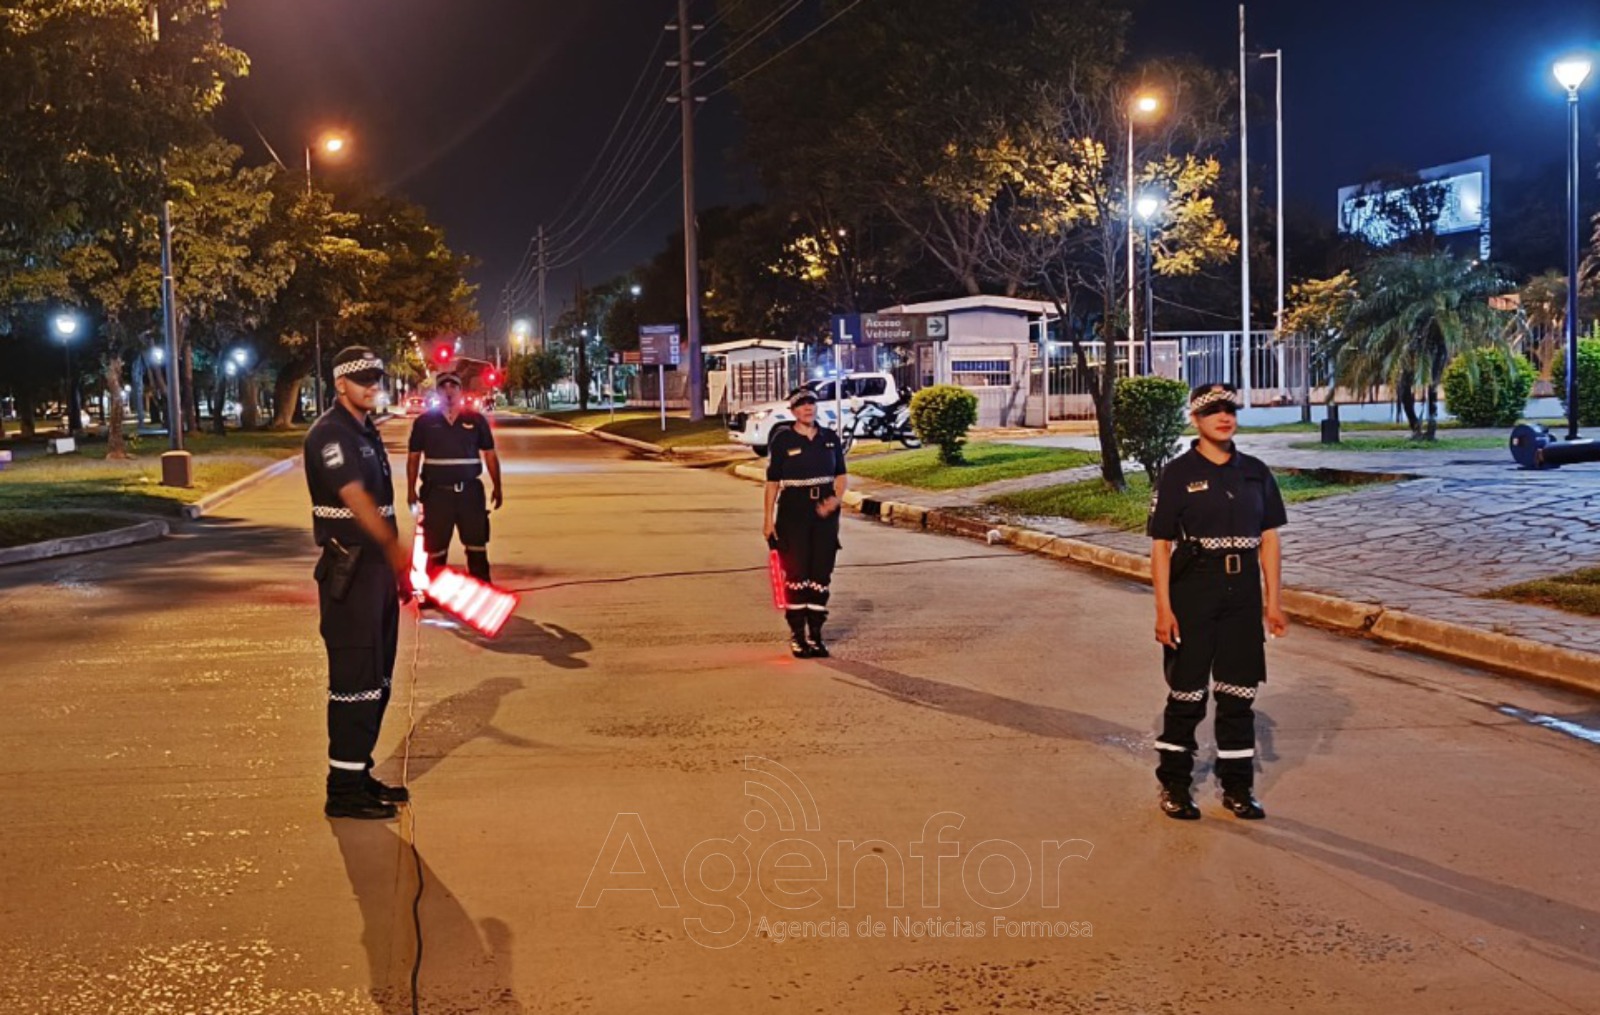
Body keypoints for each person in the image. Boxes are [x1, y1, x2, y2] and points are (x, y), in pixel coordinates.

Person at [1147, 382, 1288, 821]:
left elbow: (1268, 539)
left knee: (1238, 695)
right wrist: (1164, 609)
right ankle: (1174, 785)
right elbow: (1161, 546)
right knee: (1188, 695)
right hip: (1195, 590)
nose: (1223, 417)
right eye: (1213, 411)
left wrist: (1273, 601)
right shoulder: (1177, 474)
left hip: (1243, 592)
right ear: (1196, 420)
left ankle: (1238, 788)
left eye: (1229, 409)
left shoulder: (1256, 472)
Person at [304, 346, 413, 820]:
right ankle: (342, 791)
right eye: (363, 379)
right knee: (354, 679)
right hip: (350, 574)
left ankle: (357, 770)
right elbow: (353, 496)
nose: (373, 386)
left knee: (377, 678)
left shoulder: (364, 429)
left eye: (377, 378)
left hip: (375, 575)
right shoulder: (331, 434)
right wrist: (395, 550)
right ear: (339, 384)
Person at [763, 388, 848, 658]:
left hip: (824, 514)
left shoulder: (830, 438)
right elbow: (773, 483)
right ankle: (798, 636)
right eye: (801, 406)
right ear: (793, 411)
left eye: (811, 404)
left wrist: (835, 499)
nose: (807, 409)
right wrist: (768, 520)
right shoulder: (782, 440)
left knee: (821, 574)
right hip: (793, 512)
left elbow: (841, 475)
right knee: (797, 573)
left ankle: (816, 636)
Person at [406, 371, 503, 584]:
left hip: (470, 493)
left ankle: (482, 591)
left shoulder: (476, 421)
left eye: (453, 387)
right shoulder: (424, 422)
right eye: (443, 387)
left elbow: (490, 454)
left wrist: (498, 487)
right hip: (437, 495)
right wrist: (410, 490)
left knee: (476, 546)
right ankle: (434, 594)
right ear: (437, 392)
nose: (448, 391)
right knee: (435, 549)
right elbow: (414, 457)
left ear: (460, 391)